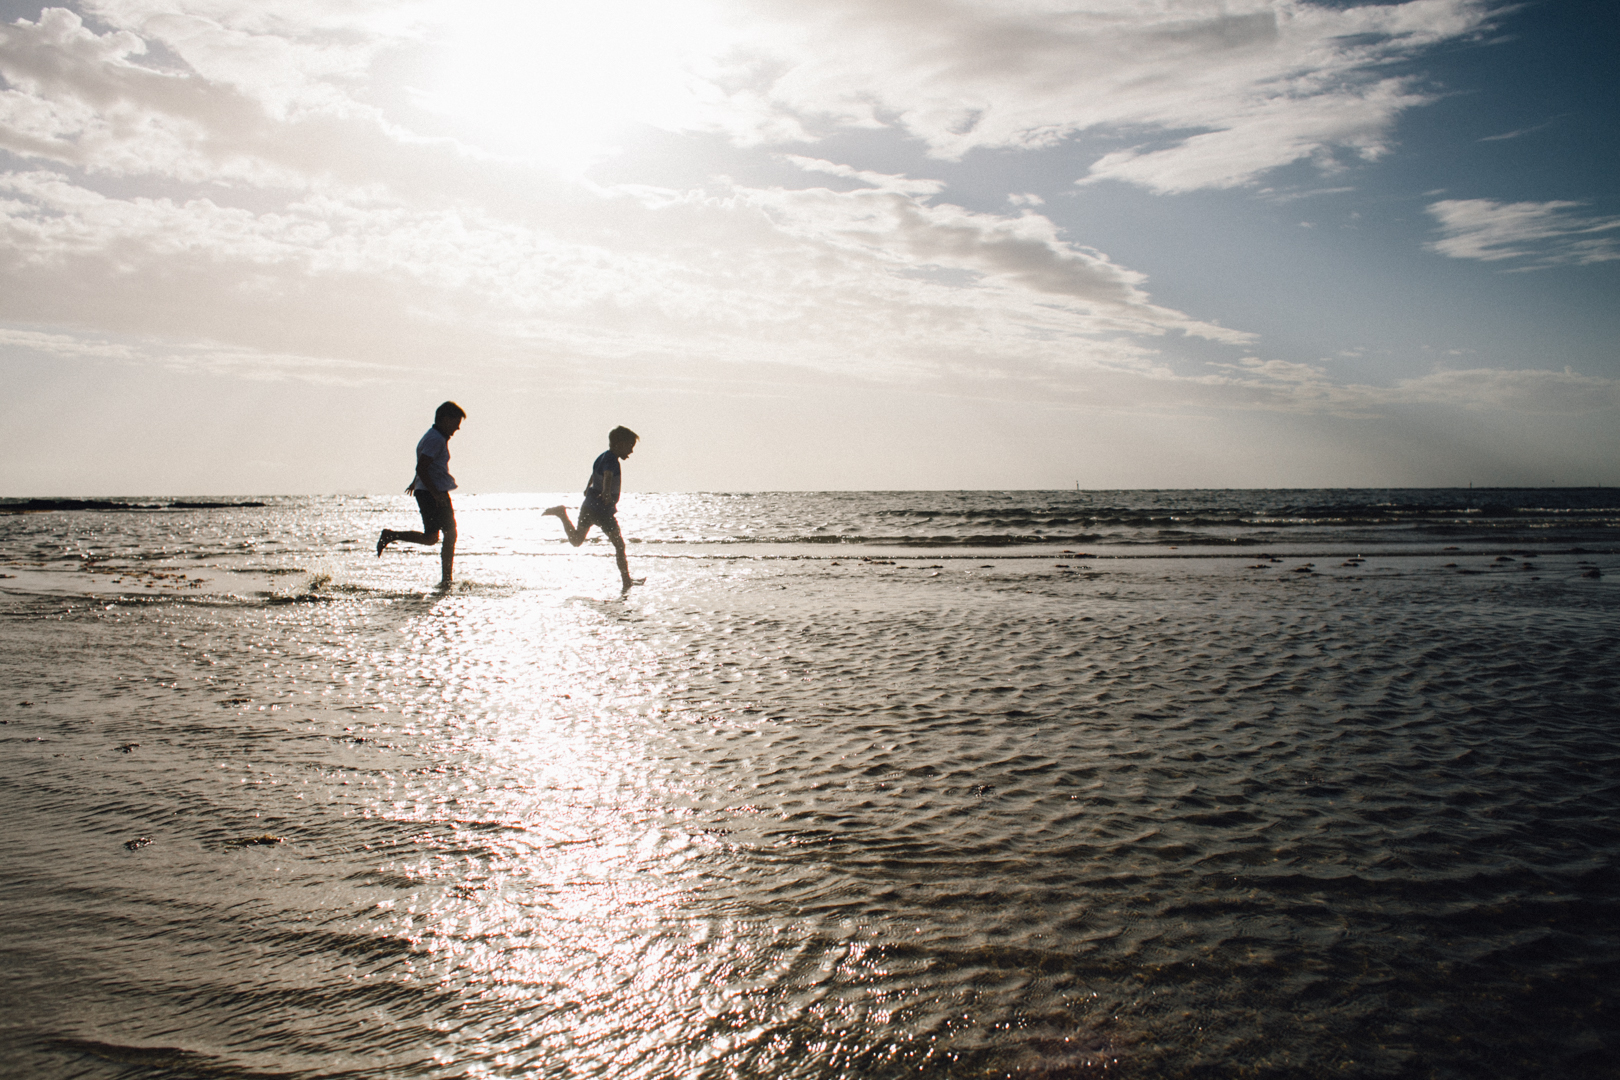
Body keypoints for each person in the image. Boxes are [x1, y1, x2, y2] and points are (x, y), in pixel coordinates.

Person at [544, 425, 643, 593]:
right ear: (619, 444)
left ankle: (562, 514)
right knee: (619, 545)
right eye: (629, 446)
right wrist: (605, 493)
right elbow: (608, 475)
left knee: (576, 540)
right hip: (602, 510)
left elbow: (594, 474)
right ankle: (626, 581)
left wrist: (587, 487)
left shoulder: (602, 457)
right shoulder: (612, 460)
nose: (631, 451)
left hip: (589, 506)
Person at [377, 401, 464, 585]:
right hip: (433, 492)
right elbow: (422, 467)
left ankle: (391, 535)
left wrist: (416, 482)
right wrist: (435, 494)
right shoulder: (435, 439)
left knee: (434, 537)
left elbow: (425, 467)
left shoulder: (434, 437)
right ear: (445, 419)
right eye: (456, 422)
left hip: (429, 490)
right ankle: (446, 580)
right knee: (448, 534)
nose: (457, 428)